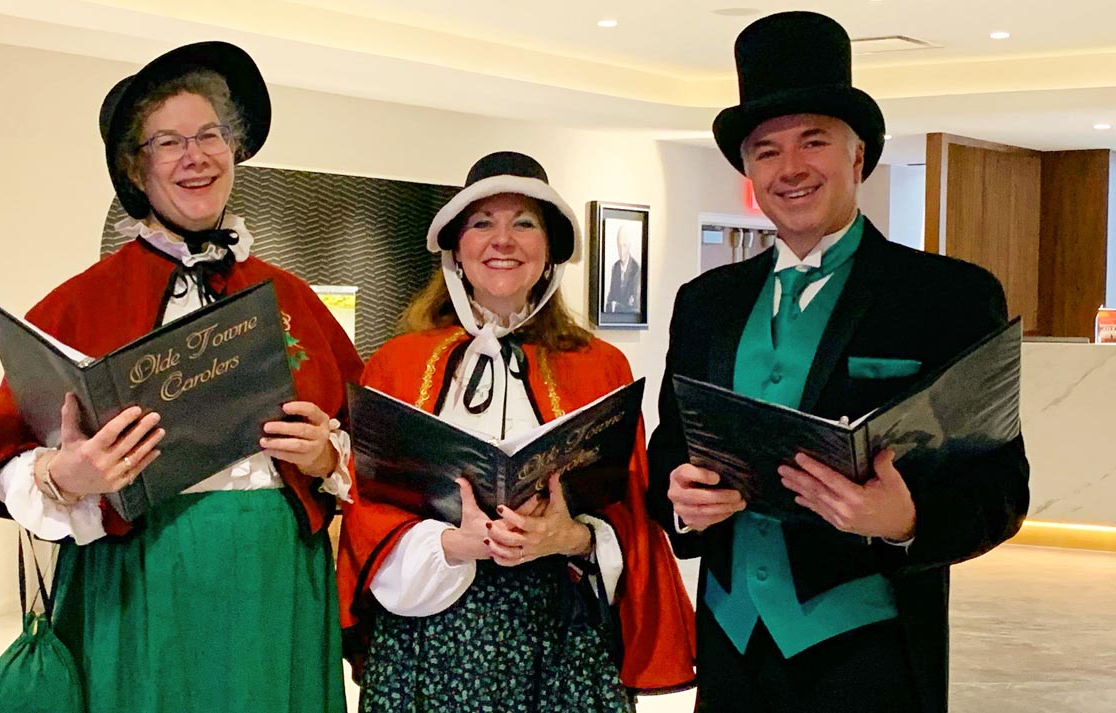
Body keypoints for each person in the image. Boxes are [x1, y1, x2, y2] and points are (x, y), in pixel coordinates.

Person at [646, 12, 1030, 713]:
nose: (790, 168)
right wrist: (679, 496)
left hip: (872, 651)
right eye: (766, 151)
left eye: (813, 142)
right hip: (731, 648)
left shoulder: (950, 295)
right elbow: (669, 446)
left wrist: (905, 519)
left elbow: (1000, 488)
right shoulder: (705, 301)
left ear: (859, 156)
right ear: (749, 173)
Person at [0, 41, 362, 713]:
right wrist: (68, 475)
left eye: (210, 134)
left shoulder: (293, 297)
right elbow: (5, 464)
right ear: (135, 166)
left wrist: (328, 456)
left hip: (276, 572)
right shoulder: (79, 302)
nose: (196, 155)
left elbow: (374, 444)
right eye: (169, 141)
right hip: (138, 572)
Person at [337, 151, 696, 711]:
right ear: (455, 246)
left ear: (550, 248)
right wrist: (455, 544)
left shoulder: (600, 366)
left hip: (562, 637)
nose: (502, 240)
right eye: (482, 222)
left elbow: (630, 510)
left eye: (524, 223)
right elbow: (367, 512)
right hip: (430, 642)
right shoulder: (396, 364)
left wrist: (570, 538)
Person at [605, 224, 641, 313]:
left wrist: (616, 306)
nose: (621, 250)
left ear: (629, 245)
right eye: (619, 245)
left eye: (624, 245)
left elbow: (635, 307)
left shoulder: (636, 269)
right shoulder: (615, 267)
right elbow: (609, 300)